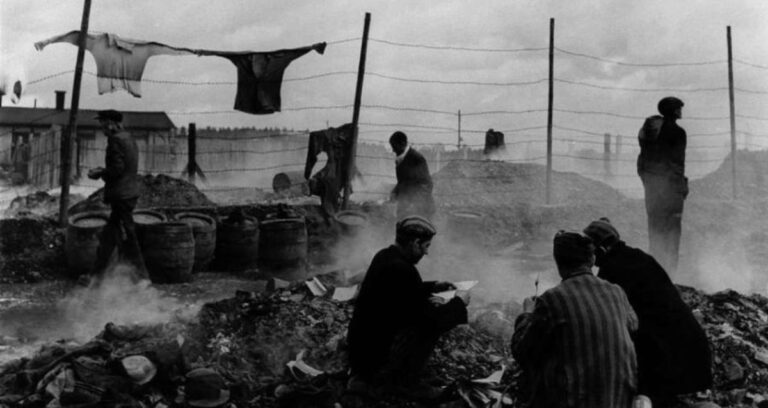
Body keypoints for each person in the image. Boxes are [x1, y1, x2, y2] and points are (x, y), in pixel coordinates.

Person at [583, 217, 712, 407]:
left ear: (600, 248)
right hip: (693, 353)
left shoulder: (612, 271)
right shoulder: (639, 258)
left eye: (590, 249)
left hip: (667, 359)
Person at [346, 215, 469, 400]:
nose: (426, 253)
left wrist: (434, 286)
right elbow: (430, 321)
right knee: (426, 329)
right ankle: (403, 383)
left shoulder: (385, 256)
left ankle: (369, 376)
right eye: (426, 246)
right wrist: (459, 302)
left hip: (361, 347)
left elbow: (401, 293)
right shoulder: (402, 270)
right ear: (415, 243)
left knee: (429, 311)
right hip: (375, 356)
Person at [511, 230, 638, 408]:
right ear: (592, 260)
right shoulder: (616, 291)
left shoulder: (552, 299)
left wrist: (526, 314)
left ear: (558, 263)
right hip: (619, 400)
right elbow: (633, 324)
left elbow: (522, 351)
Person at [88, 109, 147, 281]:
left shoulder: (114, 141)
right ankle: (96, 276)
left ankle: (143, 280)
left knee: (129, 238)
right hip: (129, 193)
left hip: (121, 195)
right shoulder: (128, 137)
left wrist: (100, 173)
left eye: (104, 123)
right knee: (109, 237)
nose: (102, 127)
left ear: (112, 123)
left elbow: (117, 170)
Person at [637, 96, 688, 273]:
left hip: (652, 190)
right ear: (674, 111)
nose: (681, 111)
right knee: (672, 235)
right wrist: (681, 187)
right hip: (671, 191)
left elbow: (641, 163)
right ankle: (670, 275)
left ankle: (655, 274)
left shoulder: (650, 132)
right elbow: (677, 164)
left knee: (655, 232)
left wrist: (649, 183)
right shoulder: (677, 132)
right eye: (679, 108)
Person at [389, 131, 435, 220]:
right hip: (406, 208)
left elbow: (426, 185)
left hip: (420, 210)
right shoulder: (401, 158)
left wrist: (413, 204)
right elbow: (404, 181)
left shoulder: (417, 159)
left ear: (402, 144)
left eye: (394, 147)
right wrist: (395, 191)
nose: (393, 150)